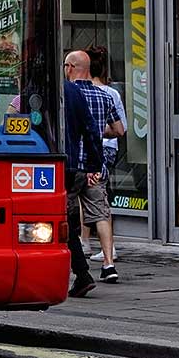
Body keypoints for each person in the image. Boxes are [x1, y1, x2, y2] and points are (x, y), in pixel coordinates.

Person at [64, 50, 126, 283]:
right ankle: (109, 263)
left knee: (69, 215)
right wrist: (99, 131)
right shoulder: (104, 96)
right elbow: (119, 130)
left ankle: (80, 256)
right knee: (100, 212)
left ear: (70, 67)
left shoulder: (68, 94)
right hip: (93, 165)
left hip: (71, 164)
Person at [81, 44, 129, 281]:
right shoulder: (110, 93)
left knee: (84, 198)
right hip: (105, 152)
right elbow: (121, 128)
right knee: (100, 200)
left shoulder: (74, 92)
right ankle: (107, 254)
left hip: (86, 155)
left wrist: (91, 133)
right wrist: (102, 132)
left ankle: (83, 243)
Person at [63, 74, 106, 298]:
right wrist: (94, 163)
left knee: (62, 222)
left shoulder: (33, 90)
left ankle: (81, 274)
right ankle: (81, 274)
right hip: (70, 165)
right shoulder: (73, 91)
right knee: (67, 221)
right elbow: (90, 128)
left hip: (43, 165)